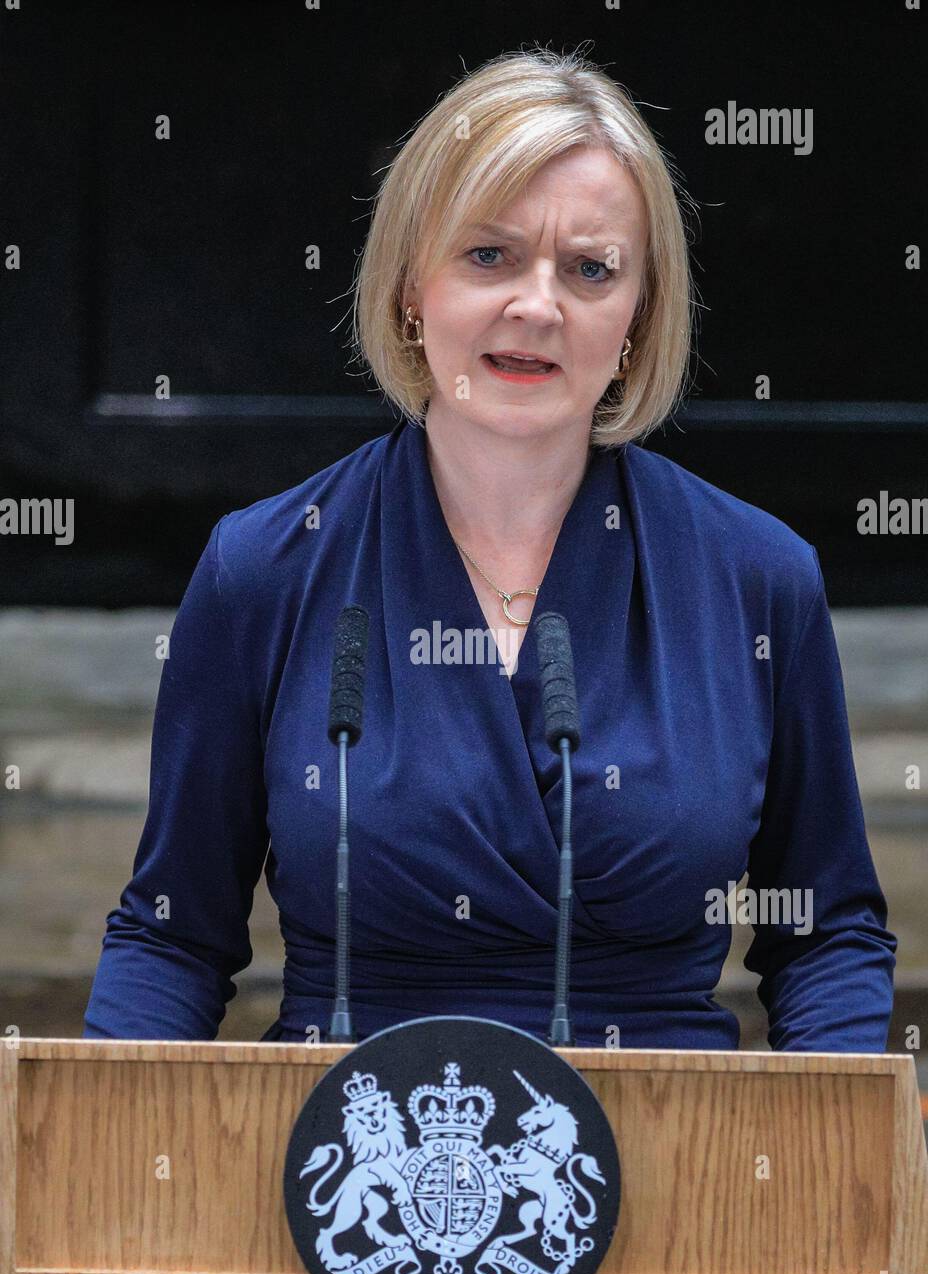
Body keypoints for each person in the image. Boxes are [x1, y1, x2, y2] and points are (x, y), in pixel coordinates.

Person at [82, 45, 895, 1051]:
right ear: (411, 285)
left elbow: (823, 938)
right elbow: (171, 941)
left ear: (637, 317)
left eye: (591, 269)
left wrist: (839, 1185)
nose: (537, 305)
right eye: (489, 255)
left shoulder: (758, 577)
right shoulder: (263, 569)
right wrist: (106, 1174)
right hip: (342, 1173)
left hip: (673, 1169)